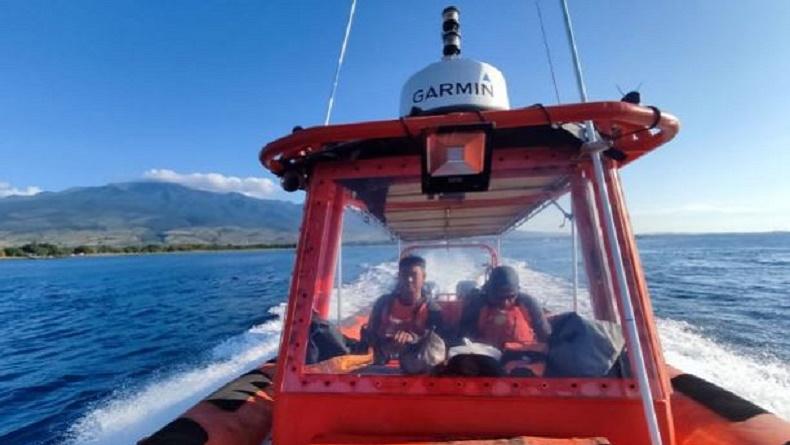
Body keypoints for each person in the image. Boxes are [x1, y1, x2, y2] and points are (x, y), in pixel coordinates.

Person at [365, 255, 443, 364]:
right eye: (404, 275)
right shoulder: (383, 303)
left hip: (416, 364)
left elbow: (437, 344)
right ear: (399, 277)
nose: (409, 279)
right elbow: (370, 333)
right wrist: (385, 339)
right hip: (381, 361)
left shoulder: (432, 309)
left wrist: (412, 338)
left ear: (423, 277)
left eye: (414, 275)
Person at [460, 265, 551, 351]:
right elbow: (465, 337)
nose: (505, 302)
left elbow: (545, 334)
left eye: (510, 297)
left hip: (523, 356)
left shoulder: (528, 303)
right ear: (490, 292)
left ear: (517, 292)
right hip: (487, 356)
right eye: (500, 297)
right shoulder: (477, 305)